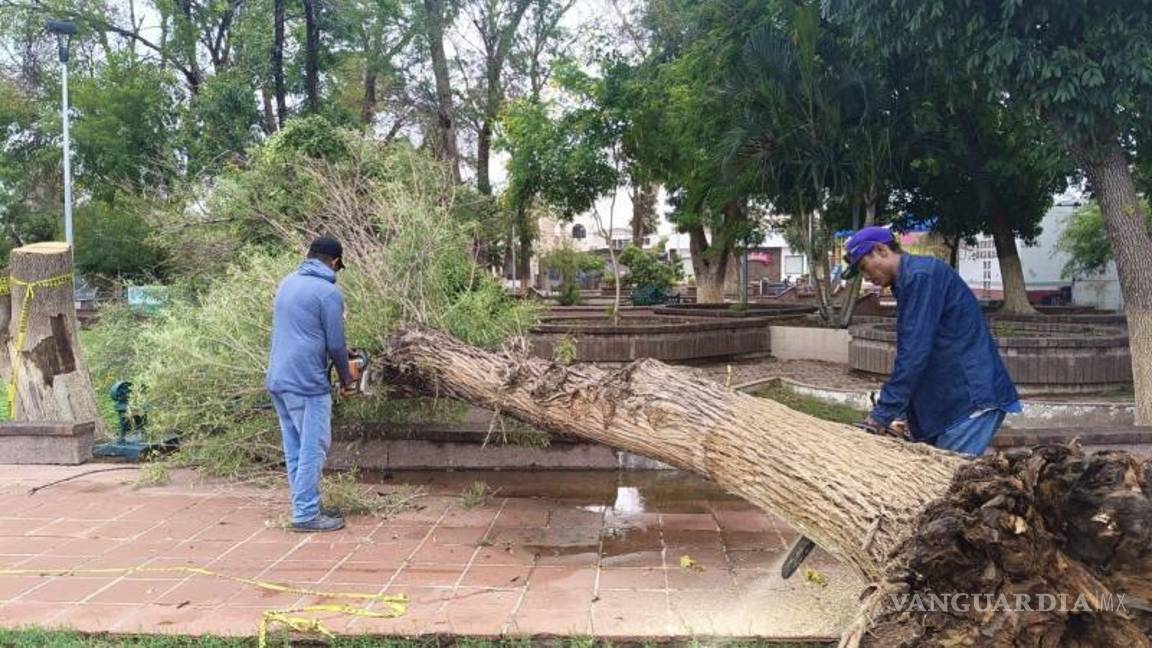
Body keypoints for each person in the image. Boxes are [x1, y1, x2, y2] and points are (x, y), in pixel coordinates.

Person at [841, 226, 1020, 455]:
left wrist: (880, 417)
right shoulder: (910, 280)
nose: (866, 277)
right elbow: (917, 353)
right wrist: (900, 415)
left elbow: (913, 354)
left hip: (968, 404)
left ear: (881, 250)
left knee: (946, 476)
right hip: (951, 404)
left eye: (863, 267)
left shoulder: (921, 278)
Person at [267, 236, 357, 532]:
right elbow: (335, 344)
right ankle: (306, 514)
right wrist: (347, 378)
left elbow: (303, 331)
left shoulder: (287, 283)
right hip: (307, 383)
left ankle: (305, 505)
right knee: (312, 448)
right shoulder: (328, 293)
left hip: (279, 379)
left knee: (295, 448)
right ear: (335, 262)